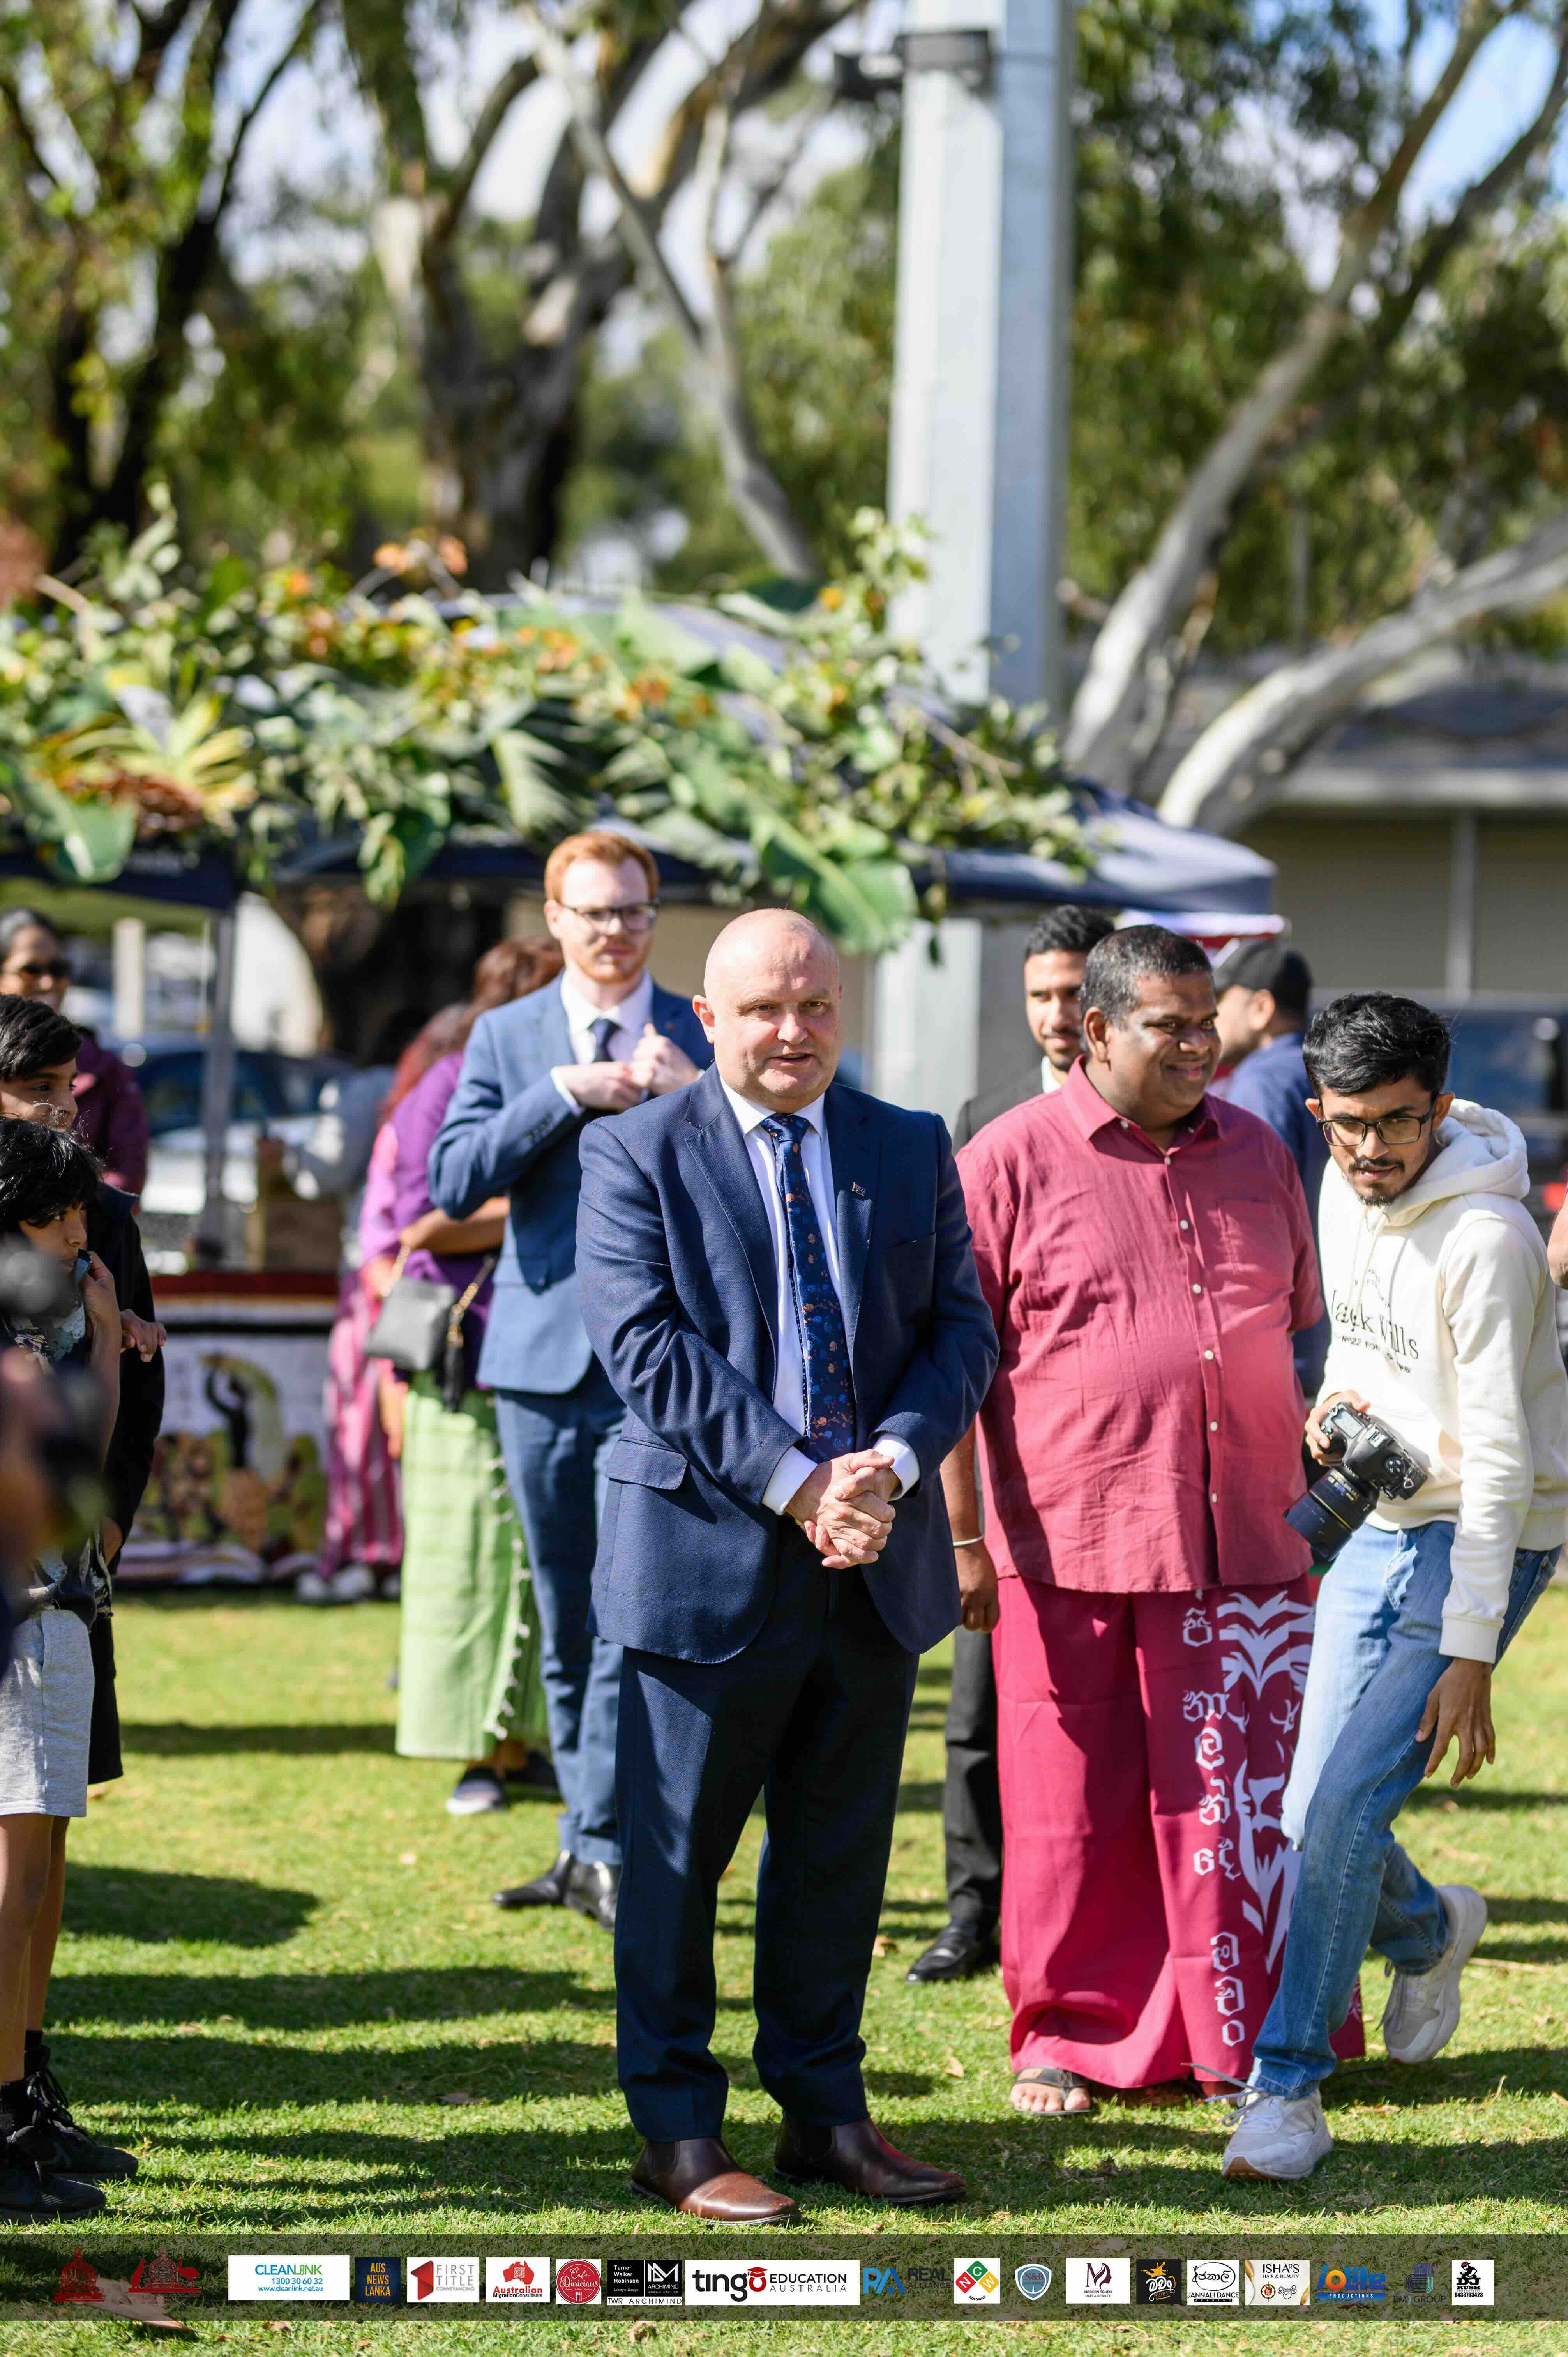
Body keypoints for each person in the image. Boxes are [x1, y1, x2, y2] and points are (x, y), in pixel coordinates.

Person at [576, 910, 998, 2222]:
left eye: (815, 1003)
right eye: (762, 1006)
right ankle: (677, 2130)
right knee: (675, 1860)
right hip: (704, 1560)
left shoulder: (908, 1141)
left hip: (871, 1560)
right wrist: (797, 1477)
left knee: (835, 1857)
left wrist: (890, 1460)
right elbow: (643, 1344)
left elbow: (960, 1329)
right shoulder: (632, 1148)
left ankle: (824, 2112)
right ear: (708, 1017)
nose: (792, 1028)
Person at [951, 925, 1325, 2120]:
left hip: (1251, 1539)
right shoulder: (1005, 1160)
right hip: (1074, 1535)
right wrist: (963, 1541)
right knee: (1075, 1810)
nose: (1197, 1046)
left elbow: (1303, 1327)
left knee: (1237, 1809)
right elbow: (953, 1366)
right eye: (1169, 1026)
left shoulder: (1260, 1150)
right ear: (1097, 1030)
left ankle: (1245, 2037)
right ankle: (1067, 2038)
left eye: (1204, 1022)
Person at [1220, 994, 1568, 2182]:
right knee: (1305, 1810)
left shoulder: (1490, 1241)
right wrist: (1338, 1411)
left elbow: (1509, 1464)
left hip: (1489, 1533)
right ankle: (1431, 1933)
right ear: (1318, 1108)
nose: (1372, 1150)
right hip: (1383, 1514)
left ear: (1439, 1102)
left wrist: (1472, 1650)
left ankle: (1285, 2089)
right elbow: (1367, 1345)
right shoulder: (1343, 1180)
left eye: (1398, 1124)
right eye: (1349, 1124)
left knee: (1341, 1813)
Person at [430, 832, 711, 1932]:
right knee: (564, 1609)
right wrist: (561, 1092)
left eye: (634, 912)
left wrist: (690, 1095)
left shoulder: (698, 1026)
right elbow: (451, 1178)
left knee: (628, 1605)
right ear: (553, 920)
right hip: (542, 1363)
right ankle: (579, 1841)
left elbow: (772, 1163)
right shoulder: (508, 1036)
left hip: (665, 1365)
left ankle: (603, 1839)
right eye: (593, 913)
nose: (615, 932)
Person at [913, 903, 1118, 1988]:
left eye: (1074, 993)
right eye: (1039, 995)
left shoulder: (1176, 1122)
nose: (1056, 1015)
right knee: (979, 1703)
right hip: (1002, 1465)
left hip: (1113, 1472)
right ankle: (971, 1911)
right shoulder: (983, 1120)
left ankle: (1083, 1904)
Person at [0, 997, 164, 2141]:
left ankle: (27, 2074)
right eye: (40, 1091)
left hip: (70, 1567)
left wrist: (104, 1529)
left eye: (73, 1086)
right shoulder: (43, 1209)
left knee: (46, 1825)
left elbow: (136, 1384)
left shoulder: (97, 1211)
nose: (68, 1104)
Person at [380, 939, 561, 1813]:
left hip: (558, 1353)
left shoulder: (577, 1076)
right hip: (465, 1359)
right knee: (475, 1566)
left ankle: (533, 1742)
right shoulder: (452, 1083)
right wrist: (542, 1210)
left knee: (547, 1561)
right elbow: (418, 1222)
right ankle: (479, 1755)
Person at [1212, 940, 1331, 1394]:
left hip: (1287, 1350)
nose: (1209, 1020)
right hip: (1343, 1338)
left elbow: (1250, 1225)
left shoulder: (1261, 1081)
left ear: (1260, 1007)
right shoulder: (1327, 1073)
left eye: (1219, 1002)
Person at [0, 912, 148, 1198]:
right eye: (31, 970)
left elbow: (128, 1179)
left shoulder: (106, 1068)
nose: (47, 983)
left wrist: (58, 1214)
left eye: (58, 970)